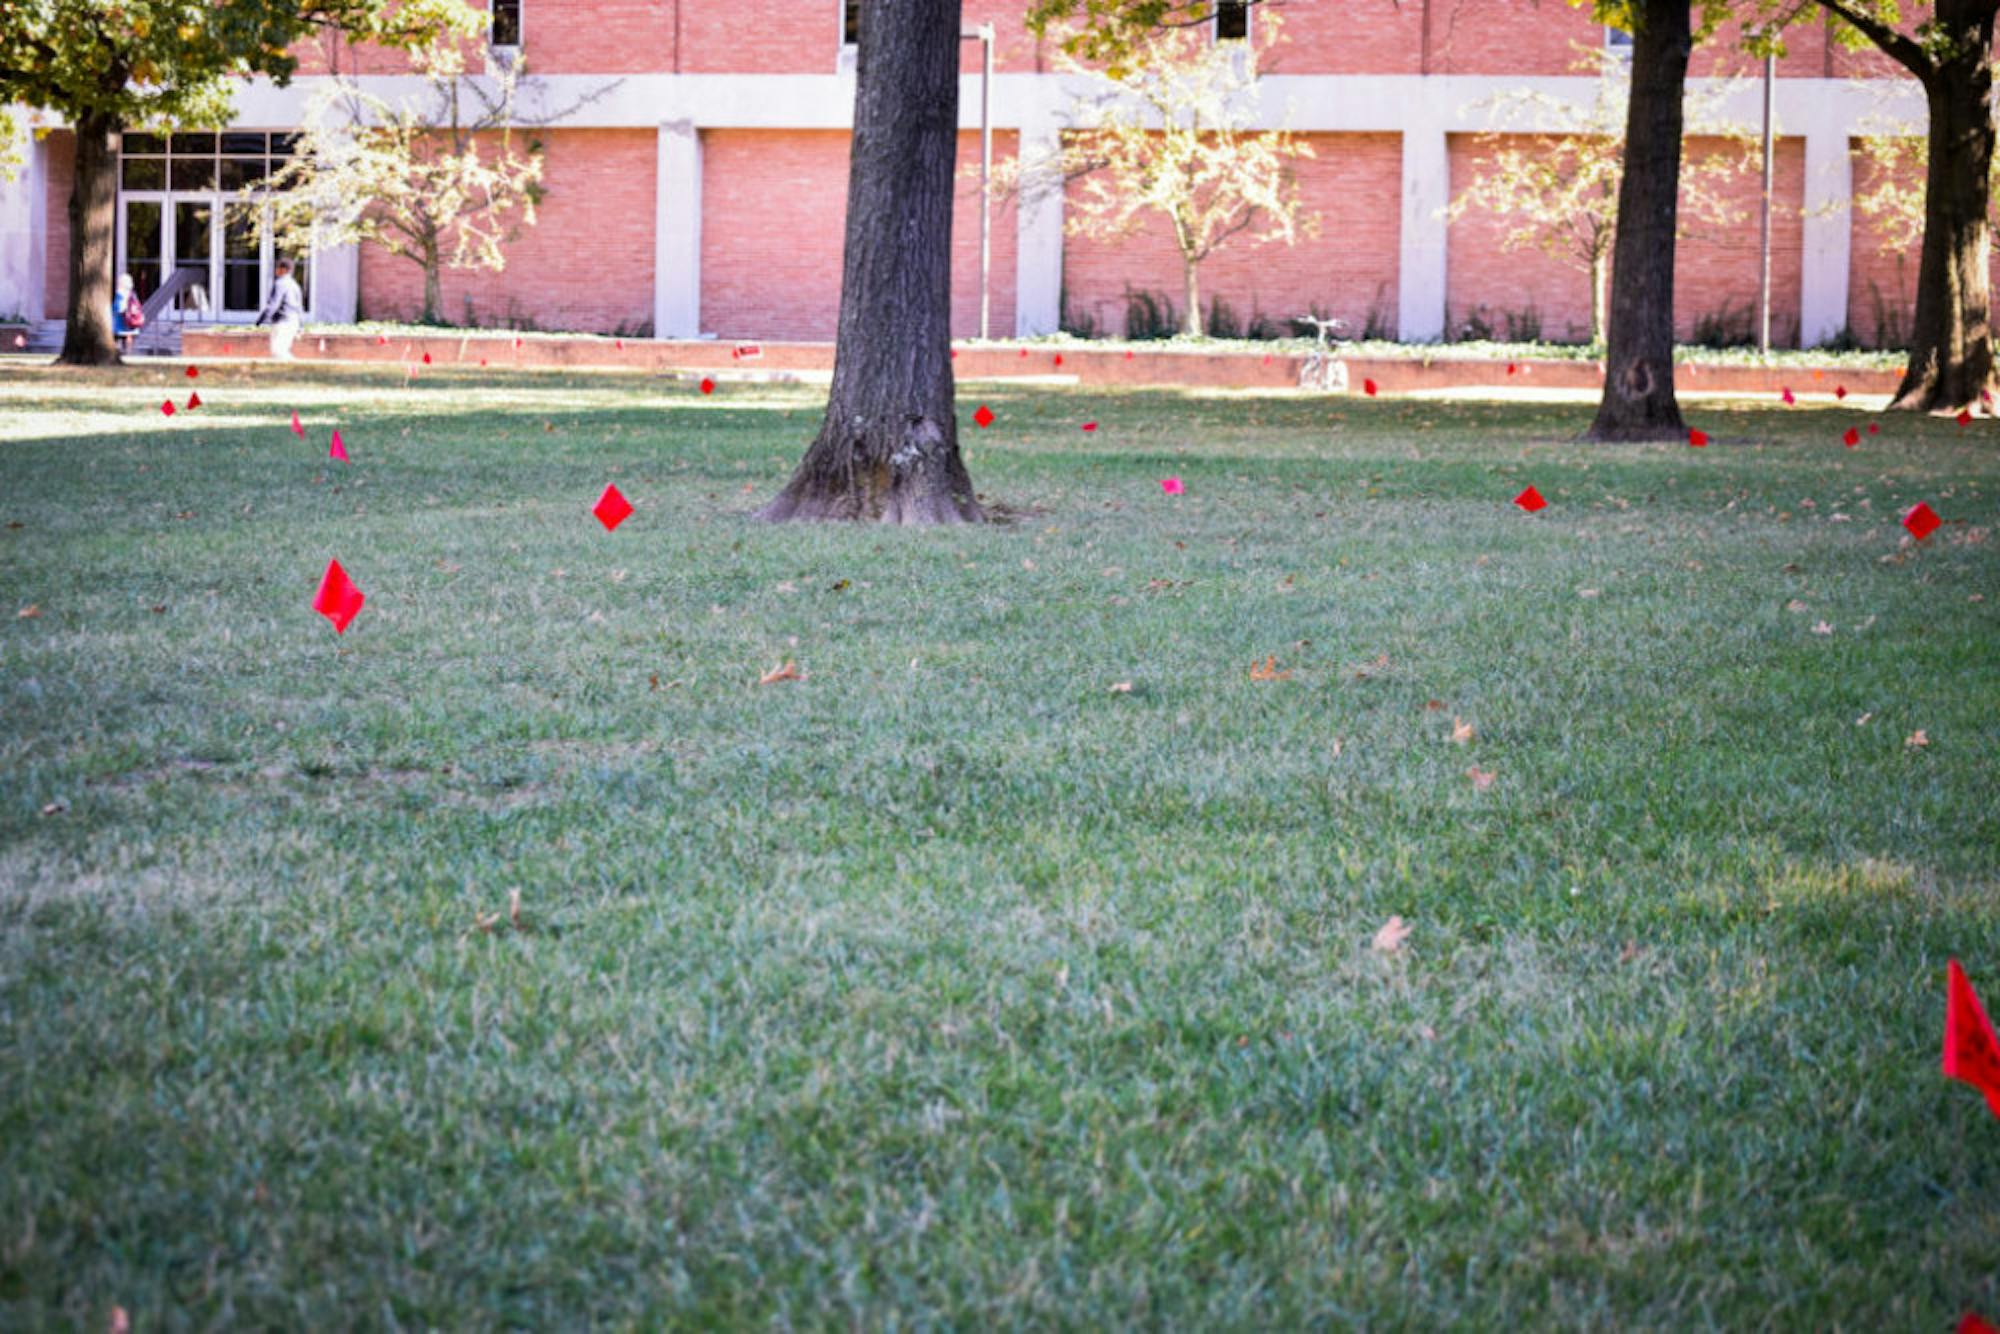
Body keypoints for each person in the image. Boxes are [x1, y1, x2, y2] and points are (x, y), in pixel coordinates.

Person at [256, 258, 305, 360]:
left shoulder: (280, 283)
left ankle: (295, 369)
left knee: (278, 351)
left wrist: (261, 319)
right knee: (281, 350)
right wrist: (301, 326)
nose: (276, 270)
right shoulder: (295, 285)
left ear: (284, 269)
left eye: (277, 267)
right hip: (293, 321)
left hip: (282, 321)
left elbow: (274, 304)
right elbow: (299, 307)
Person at [112, 273, 142, 356]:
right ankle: (128, 352)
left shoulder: (120, 293)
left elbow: (118, 307)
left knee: (118, 337)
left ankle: (119, 351)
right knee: (128, 337)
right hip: (130, 321)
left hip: (121, 320)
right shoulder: (132, 294)